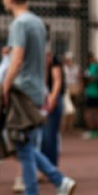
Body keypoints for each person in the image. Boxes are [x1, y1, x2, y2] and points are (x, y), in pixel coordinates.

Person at [0, 0, 77, 195]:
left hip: (21, 89)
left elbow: (16, 60)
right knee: (25, 144)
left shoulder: (19, 23)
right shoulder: (37, 22)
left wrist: (5, 88)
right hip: (35, 89)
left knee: (22, 144)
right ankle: (57, 182)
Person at [42, 35, 65, 166]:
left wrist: (52, 97)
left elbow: (57, 79)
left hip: (49, 98)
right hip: (37, 98)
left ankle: (50, 168)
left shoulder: (49, 55)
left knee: (49, 136)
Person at [83, 52, 98, 139]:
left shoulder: (92, 67)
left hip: (91, 92)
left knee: (90, 112)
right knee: (97, 112)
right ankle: (96, 130)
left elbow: (90, 78)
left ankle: (92, 130)